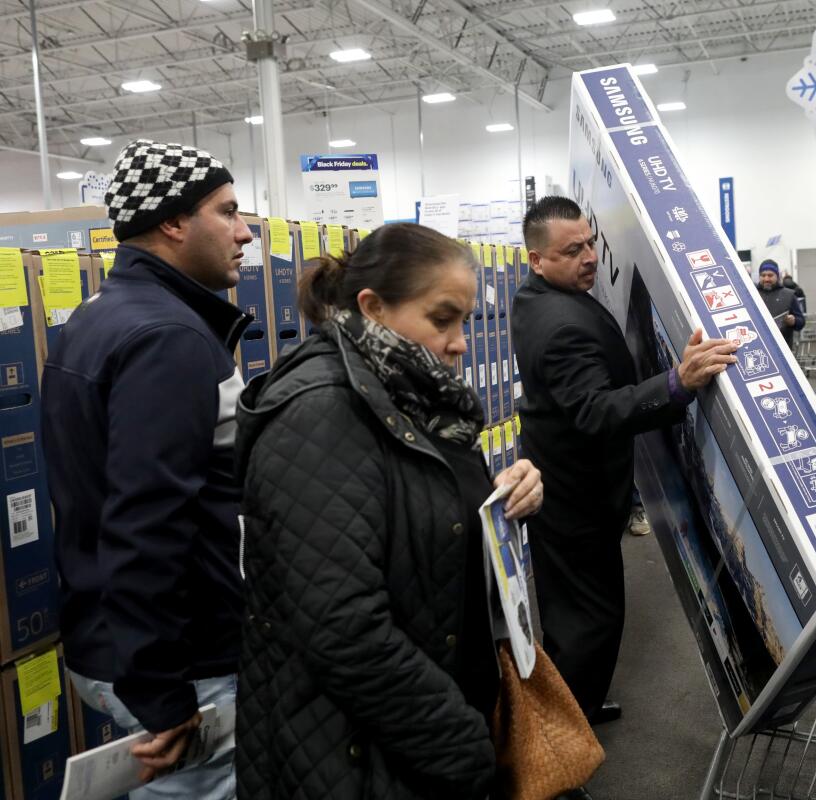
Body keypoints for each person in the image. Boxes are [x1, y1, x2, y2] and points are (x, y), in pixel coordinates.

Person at [234, 223, 544, 799]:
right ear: (372, 308)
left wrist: (506, 495)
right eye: (441, 319)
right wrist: (461, 744)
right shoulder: (321, 413)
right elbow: (344, 629)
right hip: (354, 757)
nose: (459, 342)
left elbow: (426, 518)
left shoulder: (411, 396)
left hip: (412, 739)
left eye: (465, 322)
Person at [41, 139, 253, 797]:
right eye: (228, 211)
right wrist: (162, 690)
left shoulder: (99, 318)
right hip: (184, 662)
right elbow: (146, 522)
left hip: (120, 643)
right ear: (173, 221)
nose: (246, 231)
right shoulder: (169, 338)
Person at [511, 196, 738, 725]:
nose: (590, 256)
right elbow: (595, 411)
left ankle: (578, 710)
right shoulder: (559, 322)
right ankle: (561, 752)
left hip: (569, 489)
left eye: (590, 242)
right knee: (586, 624)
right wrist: (677, 384)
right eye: (573, 250)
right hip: (575, 501)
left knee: (581, 618)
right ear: (537, 259)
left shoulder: (535, 297)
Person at [756, 260, 806, 349]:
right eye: (763, 275)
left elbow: (801, 322)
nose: (766, 279)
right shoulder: (750, 294)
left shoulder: (789, 295)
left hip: (783, 350)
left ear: (777, 276)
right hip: (757, 347)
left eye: (770, 275)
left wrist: (794, 321)